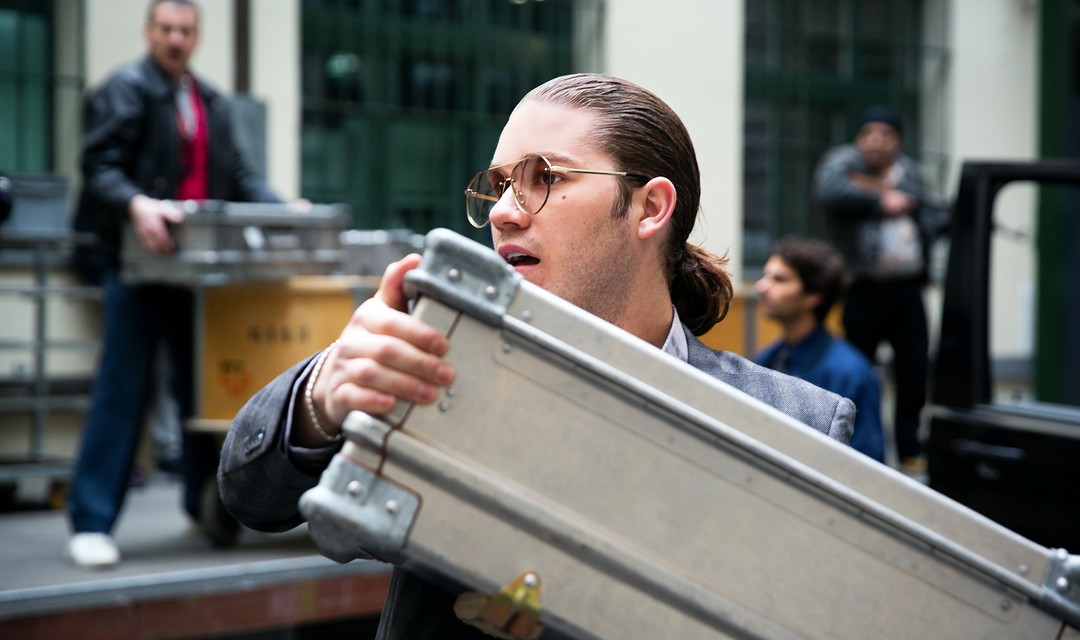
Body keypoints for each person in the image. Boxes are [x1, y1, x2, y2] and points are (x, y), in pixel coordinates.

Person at [219, 73, 855, 639]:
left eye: (543, 178)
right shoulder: (436, 372)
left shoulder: (797, 425)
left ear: (649, 207)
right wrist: (324, 394)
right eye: (498, 186)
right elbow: (251, 496)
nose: (501, 212)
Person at [66, 0, 282, 568]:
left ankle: (200, 503)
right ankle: (90, 521)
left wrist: (286, 208)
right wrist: (137, 203)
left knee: (201, 390)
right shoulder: (125, 88)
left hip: (194, 275)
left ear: (197, 36)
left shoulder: (208, 100)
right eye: (167, 29)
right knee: (123, 387)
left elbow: (235, 175)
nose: (176, 39)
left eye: (186, 30)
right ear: (149, 32)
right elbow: (99, 164)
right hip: (138, 268)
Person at [812, 105, 947, 476]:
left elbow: (935, 212)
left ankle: (909, 449)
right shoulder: (842, 164)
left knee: (914, 370)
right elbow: (829, 189)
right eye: (868, 133)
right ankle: (856, 448)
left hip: (907, 289)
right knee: (857, 368)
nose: (875, 140)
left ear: (898, 140)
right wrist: (879, 199)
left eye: (884, 134)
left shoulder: (910, 173)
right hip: (864, 288)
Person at [754, 236, 885, 462]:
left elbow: (868, 465)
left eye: (779, 279)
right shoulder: (767, 358)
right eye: (766, 276)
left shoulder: (850, 373)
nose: (761, 286)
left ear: (813, 296)